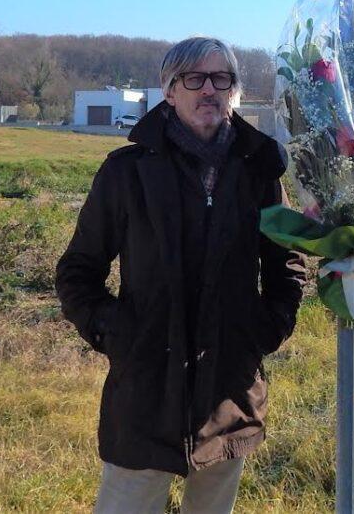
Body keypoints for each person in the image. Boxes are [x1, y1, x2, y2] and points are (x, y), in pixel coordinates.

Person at [56, 37, 305, 513]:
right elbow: (78, 270)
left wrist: (264, 331)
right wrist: (116, 332)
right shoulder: (127, 173)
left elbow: (286, 263)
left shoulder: (259, 171)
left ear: (234, 90)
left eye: (221, 79)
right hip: (145, 390)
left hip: (228, 392)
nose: (208, 89)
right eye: (194, 79)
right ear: (169, 91)